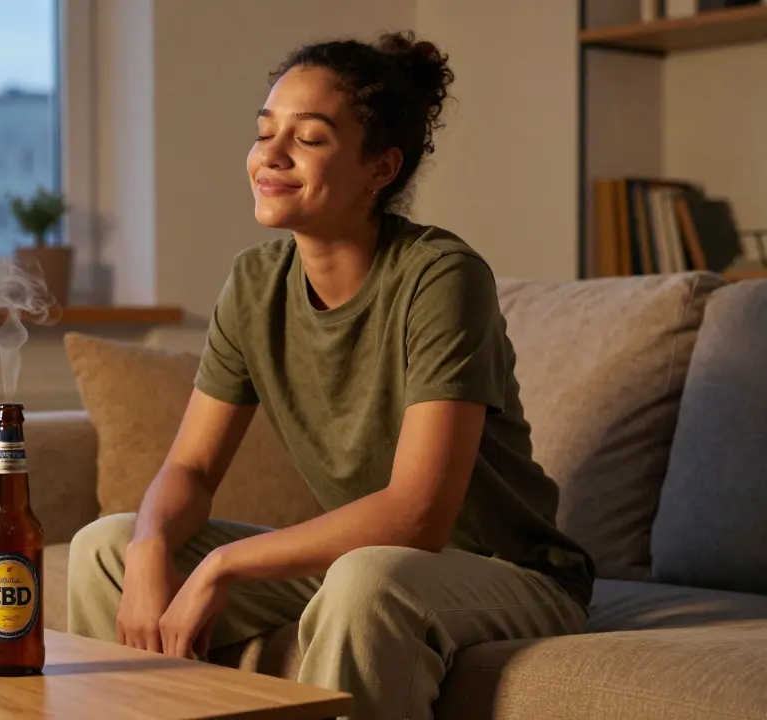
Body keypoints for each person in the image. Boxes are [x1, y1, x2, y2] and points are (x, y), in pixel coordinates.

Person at [66, 31, 595, 720]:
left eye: (308, 138)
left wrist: (223, 565)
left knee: (366, 581)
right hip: (366, 564)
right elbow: (191, 468)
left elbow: (416, 515)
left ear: (380, 167)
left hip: (506, 573)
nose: (271, 155)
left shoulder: (441, 277)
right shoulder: (255, 284)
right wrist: (149, 547)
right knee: (103, 548)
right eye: (265, 132)